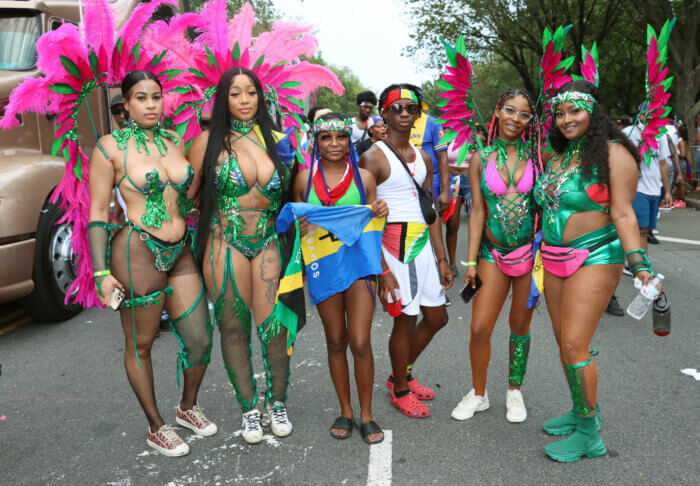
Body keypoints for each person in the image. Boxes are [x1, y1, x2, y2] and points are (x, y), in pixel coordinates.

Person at [89, 71, 216, 457]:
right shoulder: (109, 148)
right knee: (141, 344)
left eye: (156, 97)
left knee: (199, 339)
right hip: (136, 251)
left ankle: (187, 406)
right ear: (125, 104)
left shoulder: (174, 140)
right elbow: (97, 213)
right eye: (141, 98)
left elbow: (188, 191)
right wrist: (100, 274)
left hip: (181, 250)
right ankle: (156, 426)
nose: (150, 104)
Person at [534, 81, 660, 462]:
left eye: (575, 110)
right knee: (564, 341)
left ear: (593, 110)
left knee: (574, 343)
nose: (566, 119)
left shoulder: (614, 153)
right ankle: (581, 408)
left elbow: (623, 212)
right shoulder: (558, 155)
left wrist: (638, 263)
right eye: (560, 113)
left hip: (596, 256)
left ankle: (589, 434)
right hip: (553, 257)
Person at [190, 67, 296, 445]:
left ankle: (277, 402)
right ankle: (249, 409)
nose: (245, 100)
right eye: (235, 93)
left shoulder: (283, 141)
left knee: (274, 327)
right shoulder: (206, 143)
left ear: (261, 96)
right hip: (224, 242)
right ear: (224, 99)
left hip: (268, 241)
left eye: (251, 92)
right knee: (233, 326)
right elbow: (185, 199)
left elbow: (302, 195)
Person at [293, 113, 388, 444]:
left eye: (340, 137)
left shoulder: (363, 177)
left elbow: (375, 227)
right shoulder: (304, 179)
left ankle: (367, 414)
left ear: (350, 139)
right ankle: (346, 411)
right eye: (325, 138)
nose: (334, 144)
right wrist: (298, 228)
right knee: (336, 339)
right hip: (324, 267)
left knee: (360, 340)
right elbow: (294, 223)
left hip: (360, 265)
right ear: (315, 142)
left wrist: (379, 211)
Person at [360, 83, 453, 418]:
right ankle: (399, 389)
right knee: (406, 321)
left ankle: (400, 373)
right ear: (383, 112)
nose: (403, 114)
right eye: (396, 108)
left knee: (437, 317)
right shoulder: (372, 157)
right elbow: (364, 219)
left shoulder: (424, 157)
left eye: (410, 108)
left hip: (425, 249)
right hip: (395, 249)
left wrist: (443, 258)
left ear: (418, 114)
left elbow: (430, 213)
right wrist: (382, 269)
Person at [450, 89, 538, 423]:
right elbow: (476, 214)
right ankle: (478, 393)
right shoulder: (481, 157)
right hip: (492, 253)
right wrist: (471, 261)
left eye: (524, 114)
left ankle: (514, 390)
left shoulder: (537, 155)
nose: (516, 119)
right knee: (479, 327)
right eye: (510, 110)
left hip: (529, 254)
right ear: (498, 111)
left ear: (531, 120)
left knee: (519, 325)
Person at [624, 113, 672, 251]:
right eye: (648, 114)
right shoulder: (629, 132)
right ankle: (637, 264)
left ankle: (640, 263)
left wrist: (667, 191)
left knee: (645, 230)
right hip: (637, 187)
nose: (651, 117)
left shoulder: (660, 136)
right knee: (640, 229)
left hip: (655, 189)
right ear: (642, 115)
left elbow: (663, 164)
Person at [443, 125, 486, 274]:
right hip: (453, 181)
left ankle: (477, 259)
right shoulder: (448, 138)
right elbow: (442, 160)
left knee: (476, 220)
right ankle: (452, 264)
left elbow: (483, 161)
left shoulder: (476, 138)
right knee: (452, 224)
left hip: (471, 181)